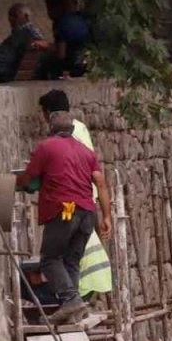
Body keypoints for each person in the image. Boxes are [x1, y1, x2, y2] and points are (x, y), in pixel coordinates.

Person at [16, 111, 110, 324]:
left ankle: (70, 300)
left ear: (51, 128)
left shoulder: (46, 147)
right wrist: (107, 217)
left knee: (50, 258)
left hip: (65, 210)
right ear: (72, 130)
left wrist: (14, 183)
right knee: (71, 260)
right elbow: (100, 182)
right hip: (88, 213)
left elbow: (29, 177)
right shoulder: (86, 152)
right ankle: (73, 311)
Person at [37, 90, 113, 299]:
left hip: (71, 205)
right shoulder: (78, 129)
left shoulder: (68, 134)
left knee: (55, 255)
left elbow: (73, 170)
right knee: (74, 254)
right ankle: (75, 299)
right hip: (85, 203)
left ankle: (72, 299)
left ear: (49, 114)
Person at [42, 0, 92, 79]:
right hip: (88, 62)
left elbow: (61, 53)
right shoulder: (81, 18)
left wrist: (46, 46)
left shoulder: (61, 23)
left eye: (48, 9)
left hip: (72, 66)